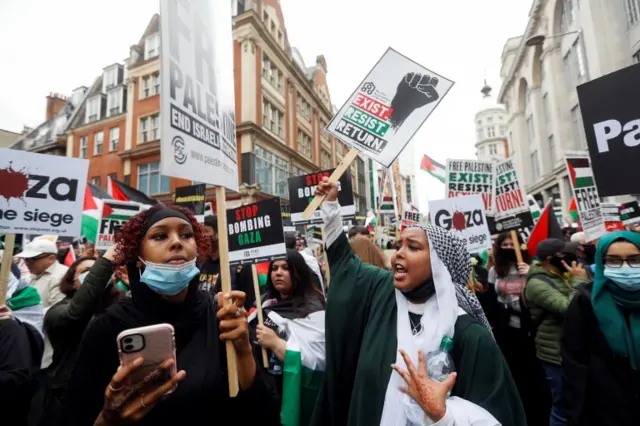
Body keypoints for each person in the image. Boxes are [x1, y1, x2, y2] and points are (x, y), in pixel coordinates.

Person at [311, 178, 526, 426]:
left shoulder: (469, 336)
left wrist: (444, 415)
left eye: (413, 247)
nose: (399, 252)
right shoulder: (383, 293)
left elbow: (500, 416)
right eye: (398, 245)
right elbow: (345, 265)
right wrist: (330, 206)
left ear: (439, 265)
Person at [60, 205, 280, 425]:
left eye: (186, 234)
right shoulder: (108, 326)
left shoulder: (221, 316)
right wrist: (108, 420)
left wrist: (243, 350)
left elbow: (263, 413)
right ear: (138, 256)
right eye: (160, 236)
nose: (177, 242)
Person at [563, 231, 640, 426]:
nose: (626, 267)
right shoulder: (585, 302)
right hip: (605, 408)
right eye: (614, 261)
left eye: (635, 259)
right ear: (602, 262)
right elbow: (574, 362)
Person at [41, 246, 125, 425]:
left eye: (99, 271)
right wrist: (106, 263)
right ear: (72, 281)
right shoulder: (57, 312)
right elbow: (76, 313)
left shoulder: (120, 309)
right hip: (68, 397)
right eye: (87, 271)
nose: (96, 275)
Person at [253, 250, 326, 426]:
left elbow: (318, 361)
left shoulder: (315, 310)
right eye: (274, 268)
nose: (278, 273)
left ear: (298, 273)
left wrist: (277, 344)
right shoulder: (264, 304)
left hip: (295, 395)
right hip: (266, 393)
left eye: (286, 268)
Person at [525, 238, 590, 426]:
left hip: (574, 349)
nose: (572, 258)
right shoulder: (537, 283)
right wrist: (579, 281)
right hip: (555, 353)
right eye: (565, 255)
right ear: (549, 259)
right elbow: (568, 308)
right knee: (562, 405)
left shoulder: (563, 275)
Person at [488, 232, 550, 425]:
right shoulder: (495, 270)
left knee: (532, 373)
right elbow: (491, 297)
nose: (508, 247)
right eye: (504, 244)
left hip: (528, 329)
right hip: (505, 331)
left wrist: (531, 274)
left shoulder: (530, 267)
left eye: (511, 243)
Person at [198, 215, 255, 309]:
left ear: (219, 234)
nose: (202, 237)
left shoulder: (241, 266)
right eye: (200, 233)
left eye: (206, 231)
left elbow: (249, 305)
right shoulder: (198, 264)